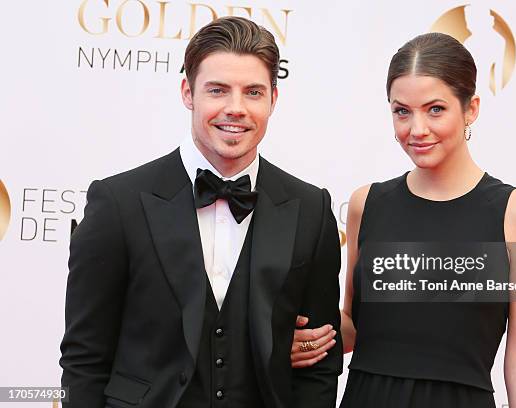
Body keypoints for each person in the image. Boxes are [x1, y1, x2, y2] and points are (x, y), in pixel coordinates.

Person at [60, 16, 342, 408]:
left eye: (254, 92)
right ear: (188, 92)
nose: (236, 108)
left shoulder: (311, 208)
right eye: (218, 90)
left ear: (274, 100)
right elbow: (83, 359)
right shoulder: (118, 202)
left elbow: (319, 363)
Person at [292, 32, 516, 407]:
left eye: (435, 109)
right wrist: (300, 336)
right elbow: (353, 326)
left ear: (471, 108)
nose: (416, 130)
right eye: (402, 111)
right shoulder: (367, 203)